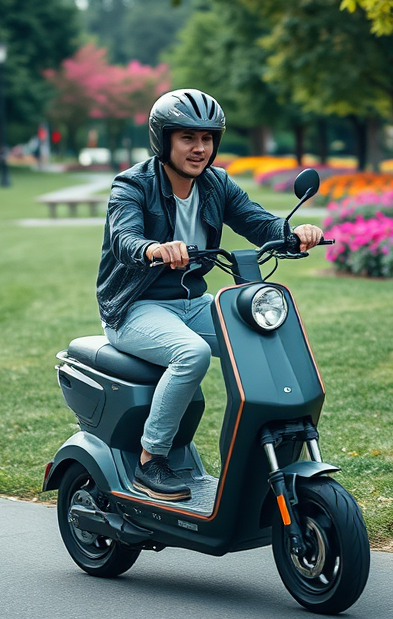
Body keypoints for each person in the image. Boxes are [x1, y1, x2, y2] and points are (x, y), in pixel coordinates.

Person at [96, 88, 324, 501]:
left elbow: (258, 223)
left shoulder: (217, 184)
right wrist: (153, 248)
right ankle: (152, 461)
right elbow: (124, 238)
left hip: (192, 304)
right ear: (162, 139)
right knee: (192, 354)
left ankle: (271, 448)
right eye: (187, 138)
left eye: (207, 139)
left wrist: (294, 234)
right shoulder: (132, 184)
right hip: (133, 308)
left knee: (268, 339)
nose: (199, 149)